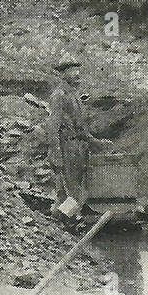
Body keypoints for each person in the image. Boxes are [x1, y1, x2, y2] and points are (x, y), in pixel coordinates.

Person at [44, 57, 110, 209]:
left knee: (78, 190)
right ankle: (63, 223)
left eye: (77, 70)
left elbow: (79, 128)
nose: (77, 74)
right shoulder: (59, 96)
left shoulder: (73, 95)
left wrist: (96, 142)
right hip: (67, 148)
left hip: (78, 148)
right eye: (72, 71)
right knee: (71, 191)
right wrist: (56, 154)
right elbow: (53, 127)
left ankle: (67, 220)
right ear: (62, 74)